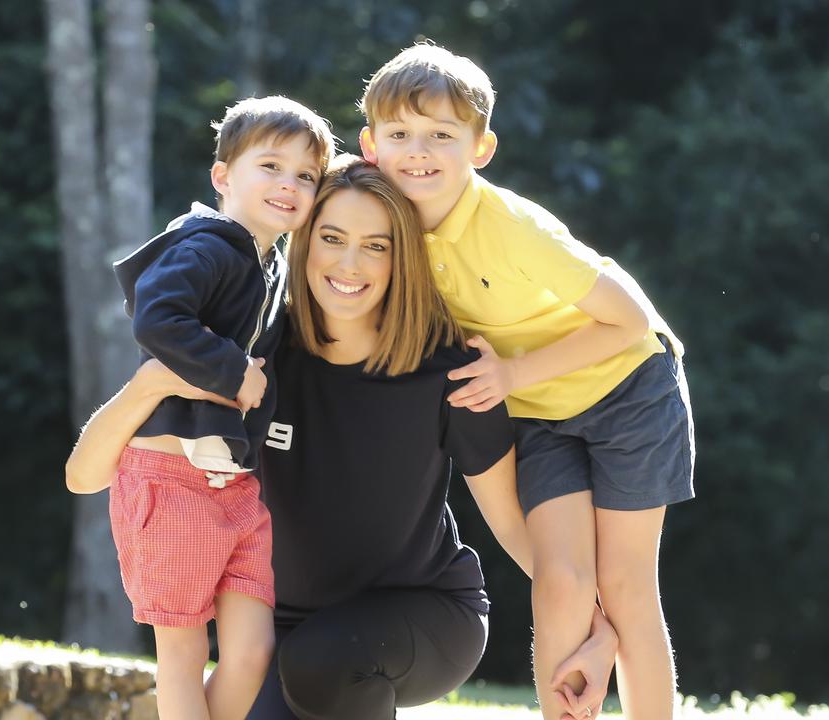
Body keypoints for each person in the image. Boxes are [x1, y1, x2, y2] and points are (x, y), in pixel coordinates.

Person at [66, 155, 618, 720]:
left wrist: (599, 625)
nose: (350, 263)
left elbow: (511, 522)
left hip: (422, 614)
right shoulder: (253, 357)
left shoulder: (450, 373)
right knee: (304, 661)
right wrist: (148, 386)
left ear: (401, 257)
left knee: (323, 661)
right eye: (331, 237)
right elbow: (85, 476)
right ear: (304, 240)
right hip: (284, 632)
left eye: (376, 245)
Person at [358, 43, 696, 720]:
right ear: (370, 146)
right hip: (541, 414)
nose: (417, 151)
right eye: (399, 135)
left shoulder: (513, 227)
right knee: (561, 584)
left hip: (631, 389)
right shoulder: (383, 224)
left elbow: (629, 321)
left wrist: (510, 373)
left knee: (626, 583)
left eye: (441, 136)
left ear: (481, 148)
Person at [98, 96, 334, 720]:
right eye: (271, 166)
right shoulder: (205, 247)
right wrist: (232, 373)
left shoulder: (272, 263)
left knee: (253, 650)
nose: (289, 184)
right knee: (181, 654)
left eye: (305, 176)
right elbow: (158, 318)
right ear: (223, 176)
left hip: (233, 486)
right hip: (169, 478)